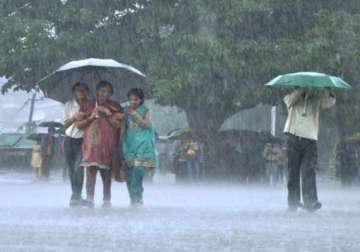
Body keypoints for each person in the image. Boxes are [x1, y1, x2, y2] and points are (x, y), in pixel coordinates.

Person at [284, 87, 335, 212]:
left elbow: (329, 103)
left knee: (309, 171)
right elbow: (290, 102)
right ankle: (293, 202)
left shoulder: (315, 99)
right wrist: (301, 91)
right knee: (293, 172)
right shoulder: (290, 97)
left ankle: (310, 201)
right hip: (293, 136)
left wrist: (327, 90)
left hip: (310, 138)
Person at [77, 80, 123, 208]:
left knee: (106, 174)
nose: (105, 94)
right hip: (91, 145)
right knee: (90, 172)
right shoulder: (87, 104)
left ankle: (106, 200)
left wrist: (108, 114)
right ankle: (90, 199)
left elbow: (118, 125)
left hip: (107, 145)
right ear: (97, 91)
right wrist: (92, 116)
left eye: (108, 92)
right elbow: (78, 125)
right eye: (103, 91)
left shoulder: (115, 106)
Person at [122, 88, 157, 207]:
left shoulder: (145, 111)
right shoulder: (125, 112)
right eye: (130, 99)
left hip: (142, 144)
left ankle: (138, 196)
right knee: (129, 173)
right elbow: (123, 129)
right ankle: (133, 198)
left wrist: (135, 115)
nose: (132, 102)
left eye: (135, 99)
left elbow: (147, 125)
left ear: (141, 100)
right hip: (129, 144)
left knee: (138, 171)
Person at [63, 82, 89, 207]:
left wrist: (85, 118)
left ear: (87, 92)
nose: (81, 93)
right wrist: (74, 117)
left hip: (83, 140)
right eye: (78, 90)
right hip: (69, 139)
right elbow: (65, 125)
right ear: (74, 92)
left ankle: (77, 194)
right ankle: (75, 194)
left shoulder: (90, 105)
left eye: (83, 90)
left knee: (79, 168)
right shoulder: (68, 105)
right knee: (71, 169)